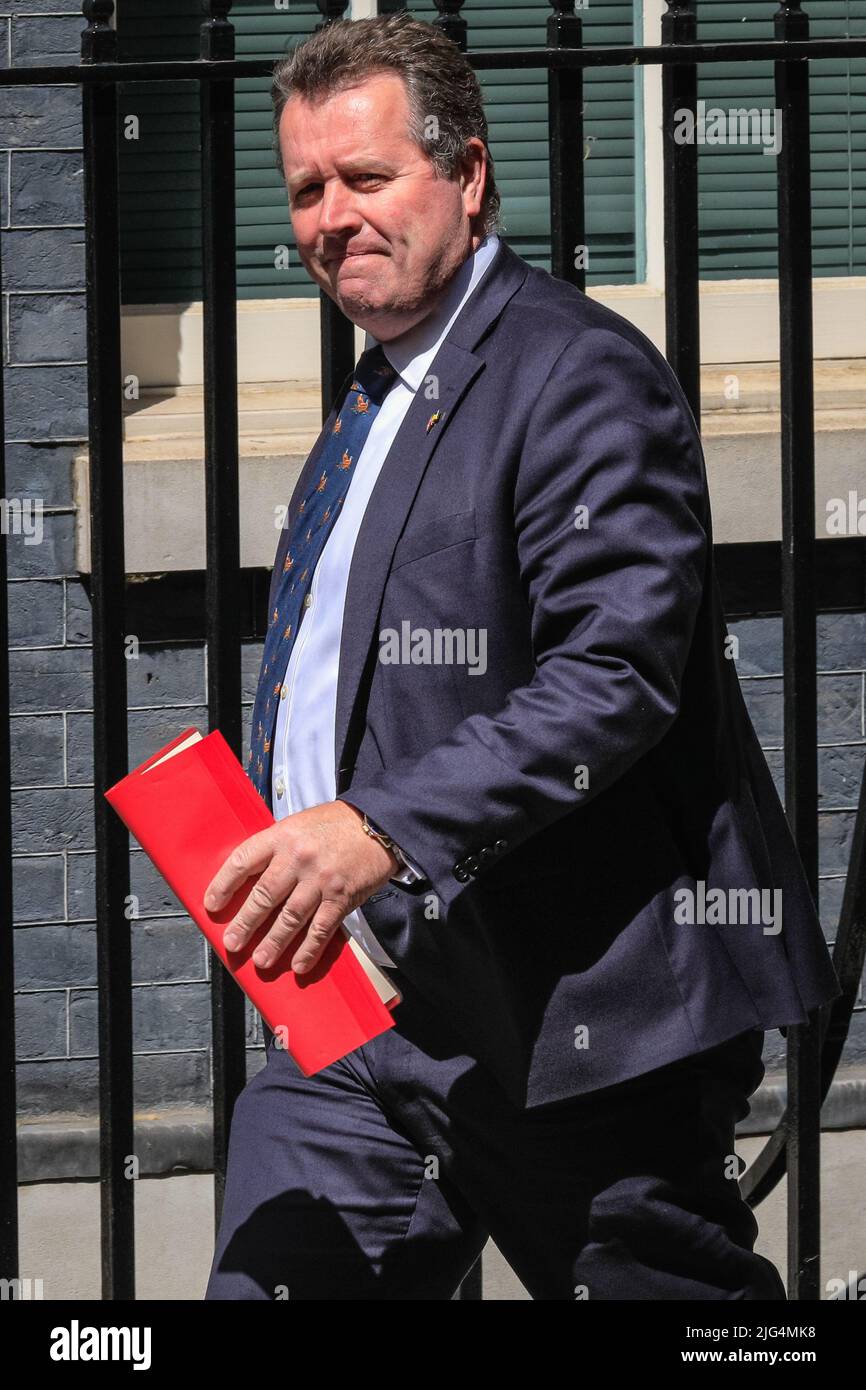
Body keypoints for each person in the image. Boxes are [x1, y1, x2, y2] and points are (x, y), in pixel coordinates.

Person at [203, 12, 840, 1300]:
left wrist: (375, 827)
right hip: (358, 1019)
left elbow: (618, 677)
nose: (332, 217)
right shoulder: (383, 385)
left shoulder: (578, 373)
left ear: (470, 175)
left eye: (368, 178)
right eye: (309, 190)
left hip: (575, 1021)